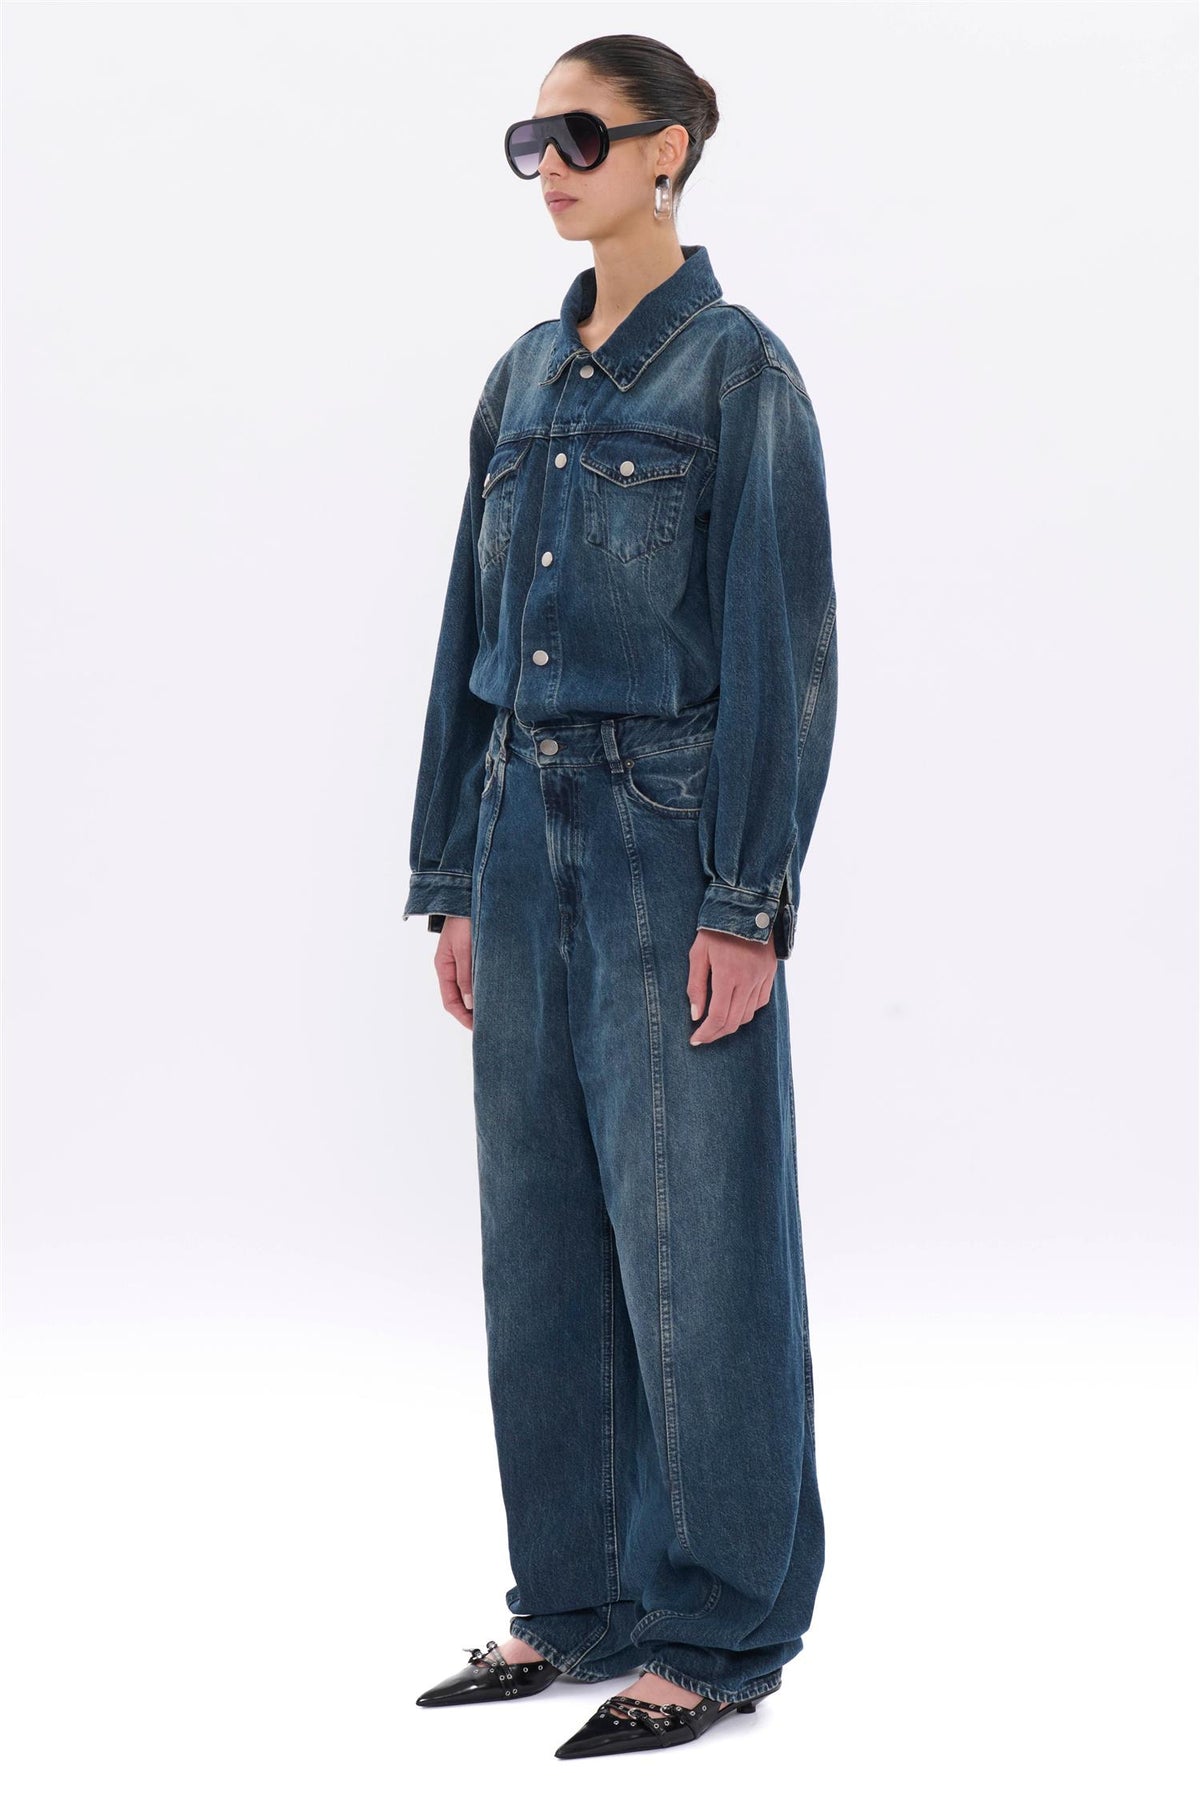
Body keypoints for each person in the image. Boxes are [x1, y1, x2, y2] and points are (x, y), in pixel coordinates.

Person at [403, 33, 838, 1761]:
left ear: (672, 150)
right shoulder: (520, 377)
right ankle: (574, 1603)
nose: (554, 166)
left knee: (696, 1242)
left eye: (583, 134)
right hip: (517, 835)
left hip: (669, 844)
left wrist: (748, 897)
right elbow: (467, 639)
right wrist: (450, 871)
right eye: (534, 139)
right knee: (542, 1235)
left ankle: (718, 1628)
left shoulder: (738, 373)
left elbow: (782, 652)